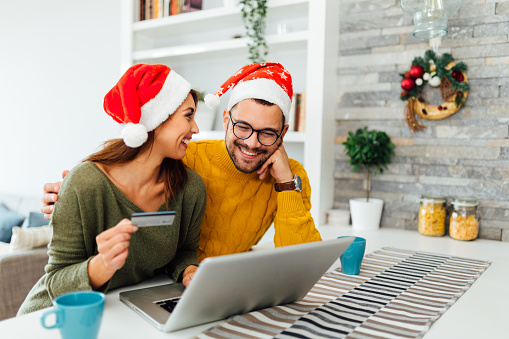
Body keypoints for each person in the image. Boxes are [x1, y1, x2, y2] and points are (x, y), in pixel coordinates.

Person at [41, 62, 321, 262]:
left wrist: (285, 185)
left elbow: (303, 263)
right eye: (243, 127)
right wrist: (68, 196)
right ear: (226, 120)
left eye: (268, 133)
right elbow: (126, 172)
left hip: (222, 284)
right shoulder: (187, 157)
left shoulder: (291, 177)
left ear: (283, 133)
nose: (252, 142)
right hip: (165, 283)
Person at [18, 64, 206, 315]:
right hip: (53, 317)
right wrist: (101, 265)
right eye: (188, 115)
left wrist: (189, 271)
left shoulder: (189, 189)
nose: (196, 129)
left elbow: (185, 252)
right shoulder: (85, 183)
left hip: (125, 314)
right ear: (159, 117)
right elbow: (55, 283)